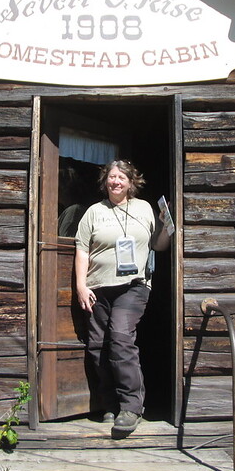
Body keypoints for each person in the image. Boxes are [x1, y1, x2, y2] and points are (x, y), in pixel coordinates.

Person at [74, 159, 172, 437]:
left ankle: (131, 407)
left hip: (134, 285)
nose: (115, 182)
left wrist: (166, 227)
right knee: (97, 346)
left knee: (120, 337)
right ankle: (110, 404)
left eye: (121, 178)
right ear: (105, 182)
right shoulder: (94, 212)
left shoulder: (144, 209)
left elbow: (158, 246)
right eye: (111, 177)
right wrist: (81, 286)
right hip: (98, 287)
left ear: (131, 182)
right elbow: (82, 250)